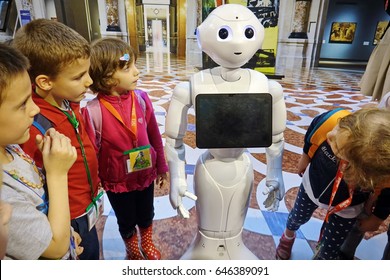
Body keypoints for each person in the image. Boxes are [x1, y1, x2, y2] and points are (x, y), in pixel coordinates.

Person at [164, 4, 286, 259]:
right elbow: (174, 139)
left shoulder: (266, 86)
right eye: (225, 33)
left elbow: (276, 139)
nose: (237, 43)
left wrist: (276, 173)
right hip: (210, 167)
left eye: (247, 33)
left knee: (234, 226)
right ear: (203, 36)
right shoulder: (191, 86)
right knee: (208, 228)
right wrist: (177, 176)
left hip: (242, 167)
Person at [11, 19, 101, 260]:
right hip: (68, 217)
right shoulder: (33, 127)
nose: (89, 81)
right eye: (78, 77)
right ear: (45, 81)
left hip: (87, 202)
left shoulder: (67, 101)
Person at [81, 38, 168, 260]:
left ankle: (147, 242)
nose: (137, 72)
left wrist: (161, 166)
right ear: (108, 77)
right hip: (117, 181)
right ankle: (131, 250)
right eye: (128, 68)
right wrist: (94, 183)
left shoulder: (142, 99)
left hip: (144, 173)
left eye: (135, 65)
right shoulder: (93, 112)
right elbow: (90, 153)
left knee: (146, 213)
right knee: (126, 218)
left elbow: (154, 135)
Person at [275, 107, 390, 260]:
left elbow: (387, 194)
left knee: (331, 248)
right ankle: (287, 237)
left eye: (336, 145)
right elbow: (315, 131)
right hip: (312, 188)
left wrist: (377, 218)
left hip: (349, 207)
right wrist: (305, 156)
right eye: (338, 129)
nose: (330, 135)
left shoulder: (380, 171)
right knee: (297, 217)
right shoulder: (333, 121)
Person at [0, 43, 77, 259]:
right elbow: (55, 248)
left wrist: (67, 234)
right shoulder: (4, 196)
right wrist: (57, 173)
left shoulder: (11, 148)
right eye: (23, 104)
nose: (35, 109)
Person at [338, 92, 390, 260]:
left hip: (382, 185)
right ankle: (344, 253)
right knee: (359, 221)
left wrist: (378, 216)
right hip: (375, 186)